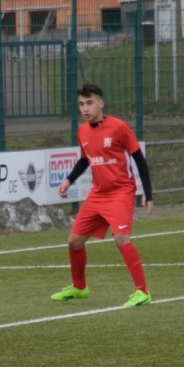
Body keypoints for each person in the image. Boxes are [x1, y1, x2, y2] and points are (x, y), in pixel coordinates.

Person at [51, 82, 154, 307]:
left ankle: (142, 292)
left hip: (121, 192)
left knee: (121, 238)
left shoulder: (119, 127)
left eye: (89, 103)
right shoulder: (83, 131)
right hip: (97, 194)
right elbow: (85, 159)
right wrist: (69, 180)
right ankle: (79, 288)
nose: (85, 109)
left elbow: (139, 159)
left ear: (101, 103)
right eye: (81, 104)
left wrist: (148, 193)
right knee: (74, 241)